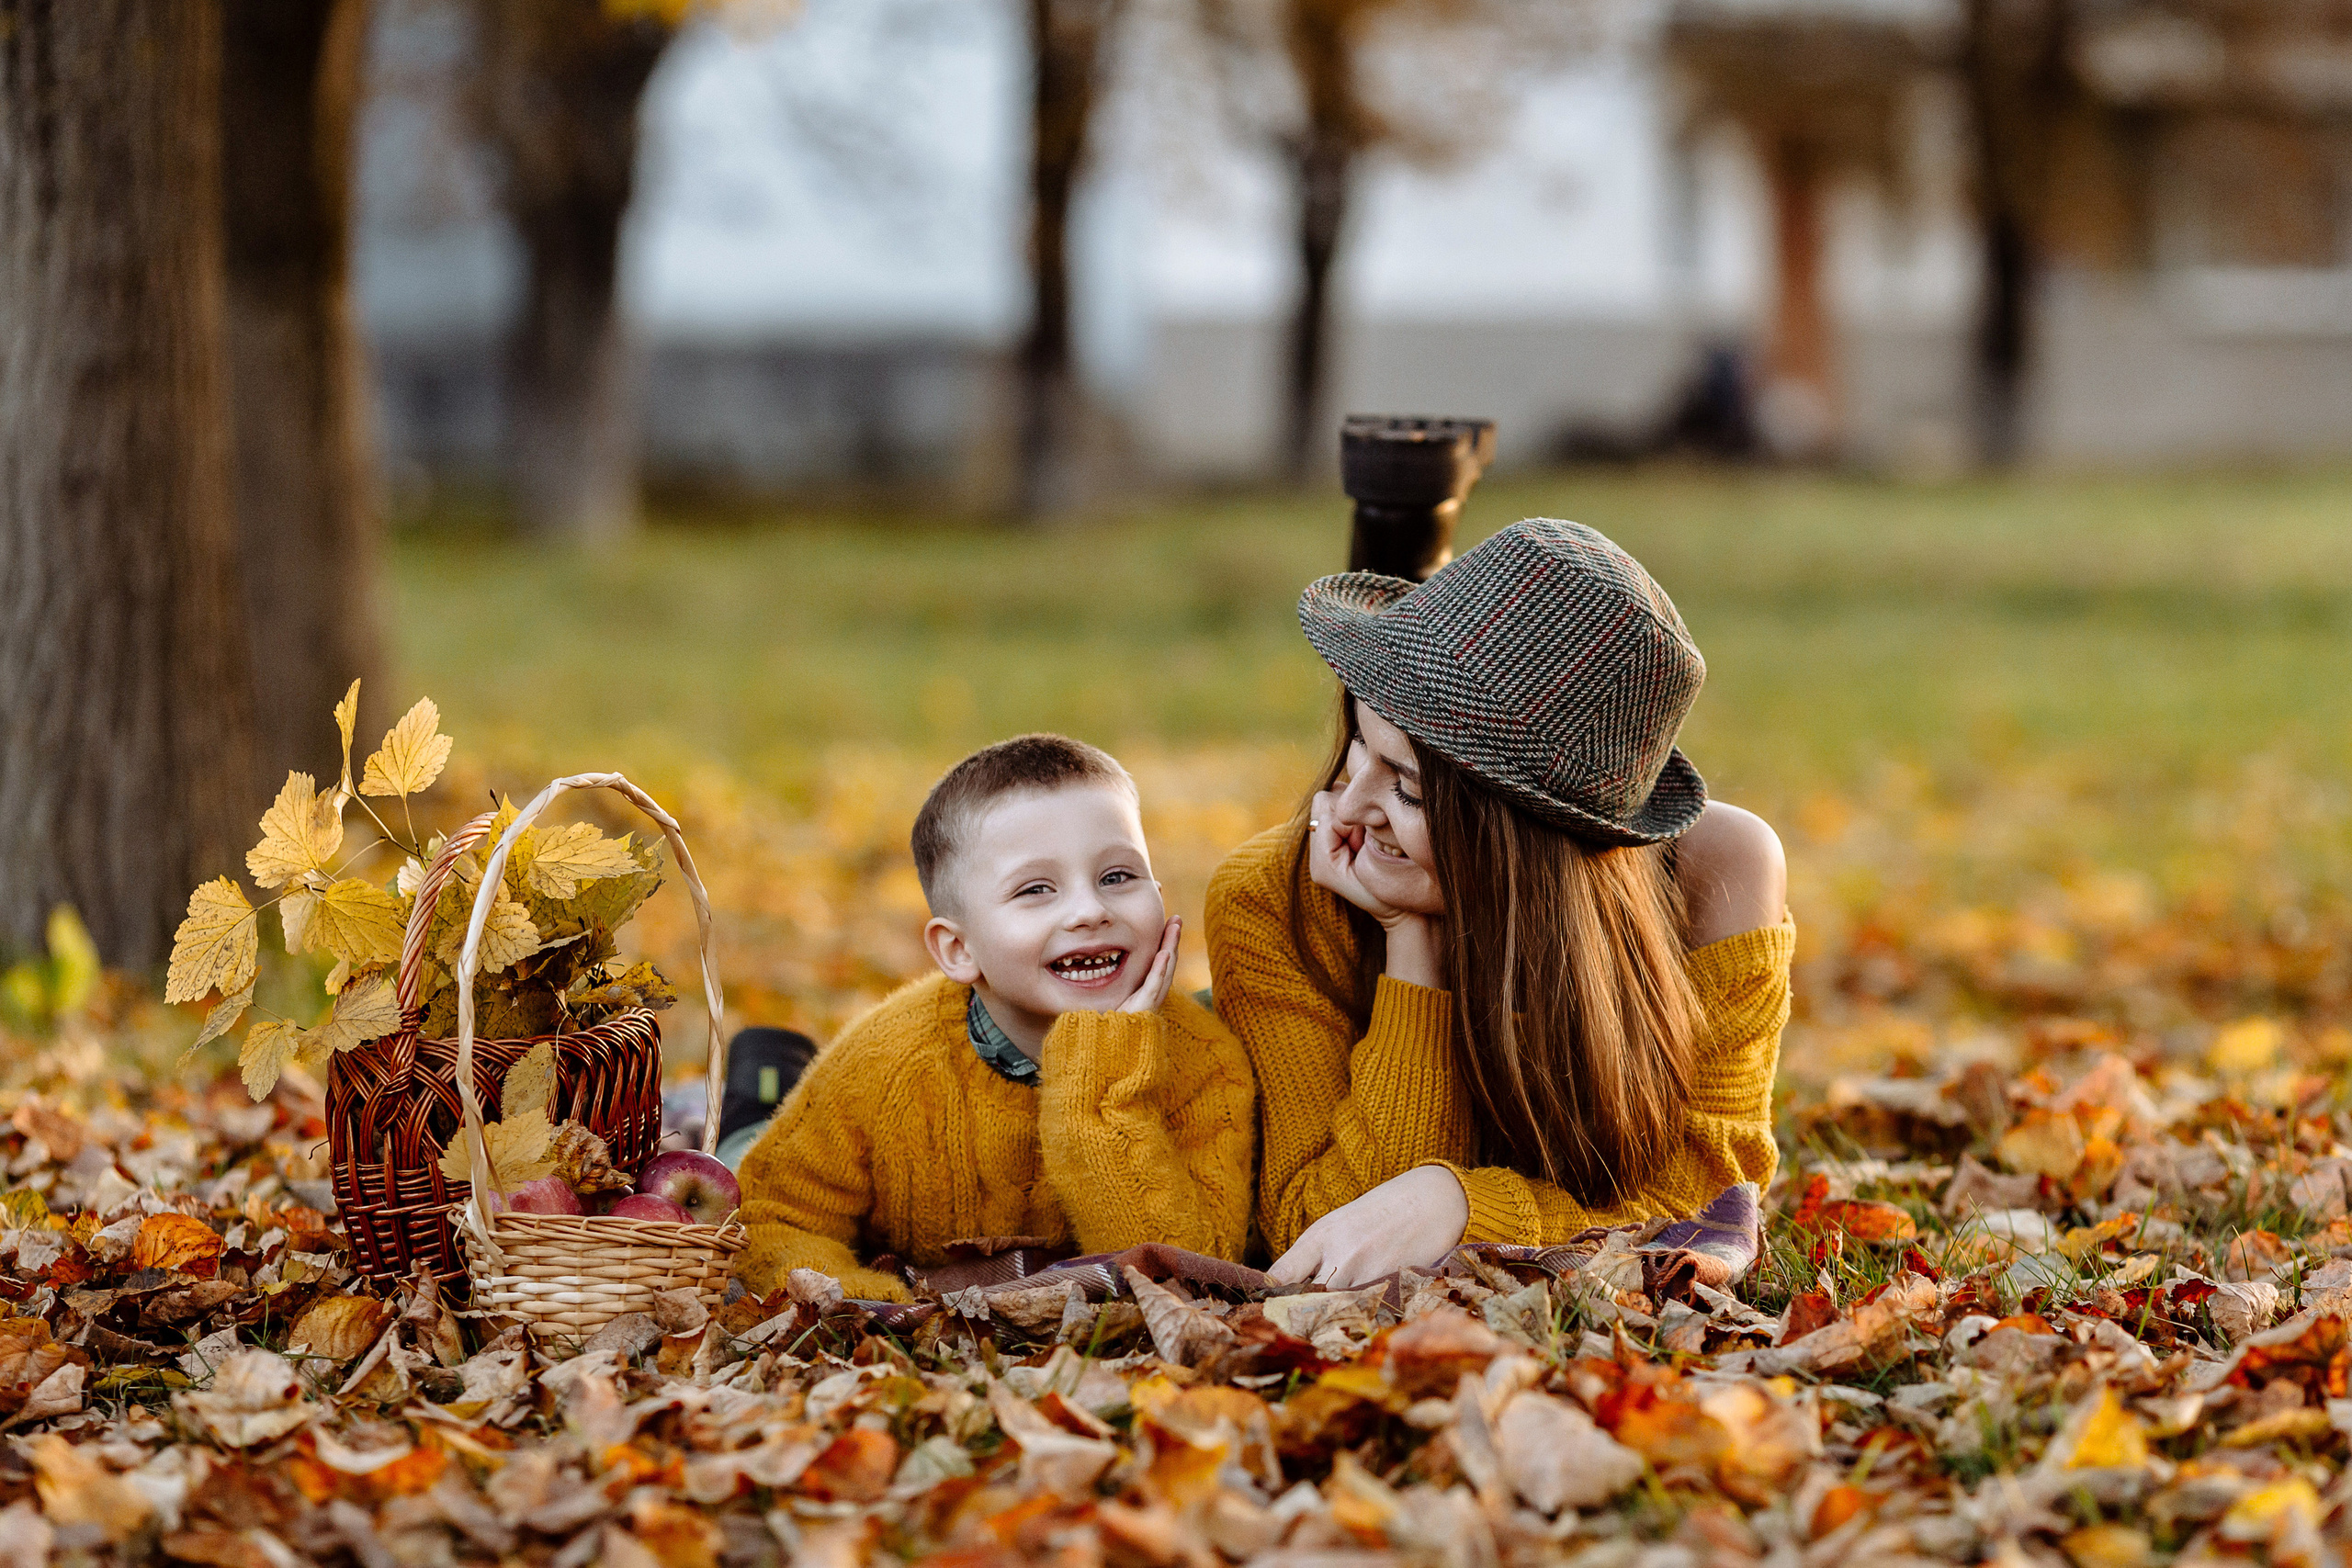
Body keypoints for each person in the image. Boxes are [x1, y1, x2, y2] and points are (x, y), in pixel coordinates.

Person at [1205, 519, 1792, 1288]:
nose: (1349, 803)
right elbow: (1325, 1236)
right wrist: (1412, 949)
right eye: (1359, 743)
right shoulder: (1272, 902)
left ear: (1526, 843)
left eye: (1409, 788)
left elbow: (1704, 1199)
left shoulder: (1716, 874)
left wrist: (1455, 1202)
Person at [735, 735, 1257, 1301]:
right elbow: (773, 1222)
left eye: (1117, 877)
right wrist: (873, 1303)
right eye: (1036, 889)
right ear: (959, 950)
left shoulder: (1205, 1063)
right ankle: (765, 1070)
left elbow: (1187, 1274)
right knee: (739, 1142)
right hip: (804, 1134)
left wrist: (1103, 1080)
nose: (1090, 911)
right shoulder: (883, 1064)